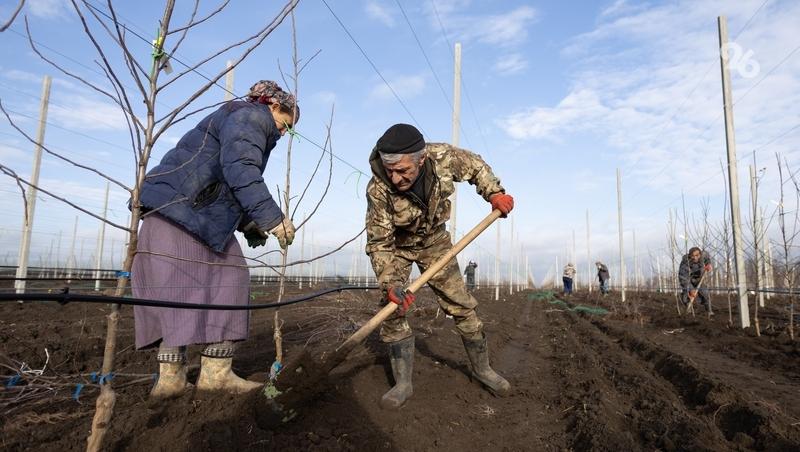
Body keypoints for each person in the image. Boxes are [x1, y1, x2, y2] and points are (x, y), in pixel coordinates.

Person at [132, 80, 299, 399]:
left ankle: (171, 380)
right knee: (231, 280)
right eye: (285, 126)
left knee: (174, 293)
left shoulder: (233, 115)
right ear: (275, 107)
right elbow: (241, 169)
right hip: (187, 216)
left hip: (173, 213)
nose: (281, 134)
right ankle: (215, 374)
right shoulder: (252, 116)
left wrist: (249, 223)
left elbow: (220, 181)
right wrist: (273, 218)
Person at [365, 123, 514, 409]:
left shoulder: (442, 158)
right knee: (392, 310)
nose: (395, 178)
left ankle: (483, 370)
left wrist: (494, 193)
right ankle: (403, 383)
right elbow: (380, 242)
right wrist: (392, 284)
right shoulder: (378, 190)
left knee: (462, 305)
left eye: (403, 170)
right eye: (390, 170)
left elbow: (475, 167)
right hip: (397, 248)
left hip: (435, 244)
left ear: (421, 160)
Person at [679, 246, 713, 313]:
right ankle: (688, 311)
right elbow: (683, 278)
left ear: (700, 254)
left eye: (697, 255)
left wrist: (708, 264)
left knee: (705, 294)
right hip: (688, 280)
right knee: (687, 297)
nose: (695, 258)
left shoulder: (704, 255)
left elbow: (707, 258)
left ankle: (709, 311)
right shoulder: (685, 262)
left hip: (698, 279)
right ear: (689, 256)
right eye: (693, 256)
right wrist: (690, 289)